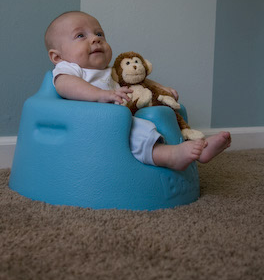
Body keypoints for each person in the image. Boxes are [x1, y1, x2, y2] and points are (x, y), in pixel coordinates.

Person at [44, 11, 231, 171]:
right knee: (136, 130)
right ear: (57, 57)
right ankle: (168, 156)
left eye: (99, 33)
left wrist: (161, 90)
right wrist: (100, 94)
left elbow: (141, 82)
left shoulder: (110, 71)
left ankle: (198, 148)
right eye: (80, 36)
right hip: (94, 124)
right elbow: (65, 85)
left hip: (121, 116)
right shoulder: (69, 69)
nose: (96, 38)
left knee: (164, 115)